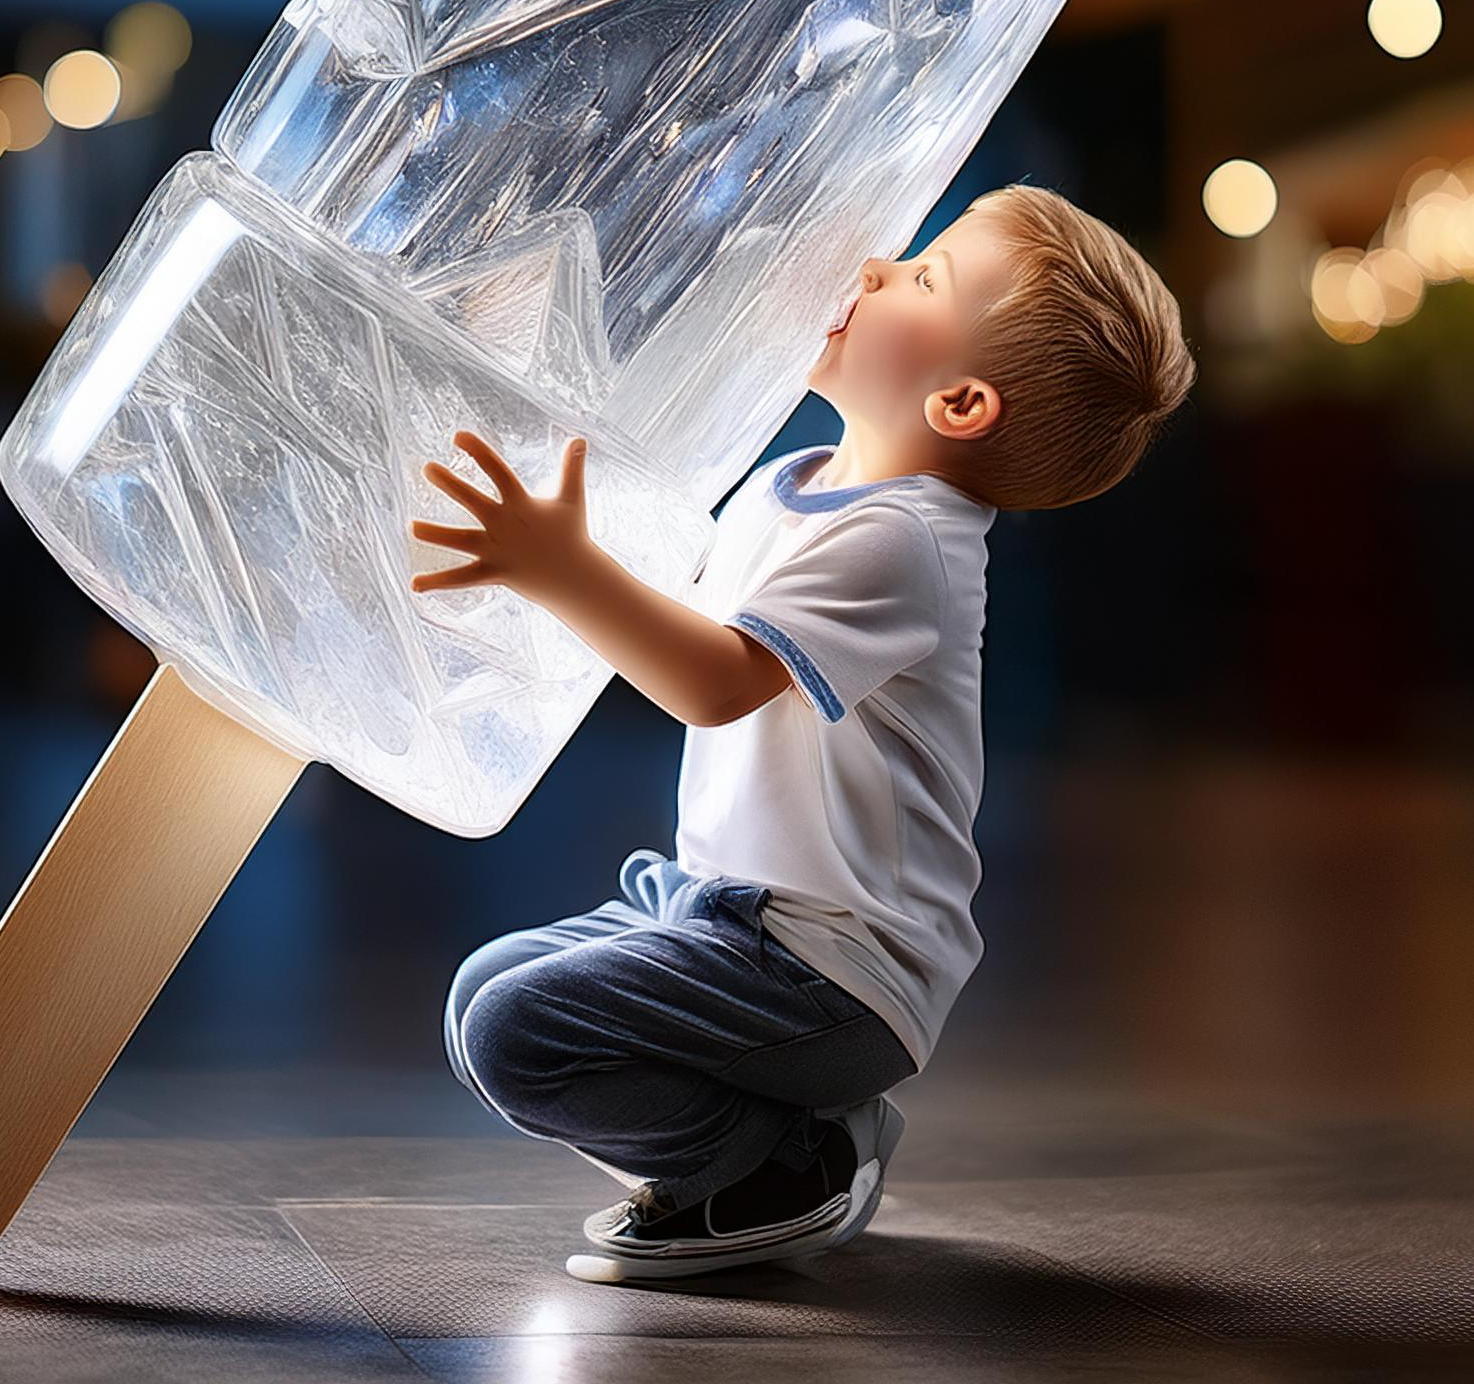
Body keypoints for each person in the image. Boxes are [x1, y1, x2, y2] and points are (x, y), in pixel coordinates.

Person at [415, 183, 1196, 1279]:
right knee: (477, 998)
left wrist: (560, 567)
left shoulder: (903, 541)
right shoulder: (796, 487)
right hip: (723, 917)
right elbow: (675, 613)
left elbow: (713, 680)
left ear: (960, 402)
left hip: (828, 974)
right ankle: (777, 1139)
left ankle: (773, 1166)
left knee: (515, 1033)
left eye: (923, 278)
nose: (876, 268)